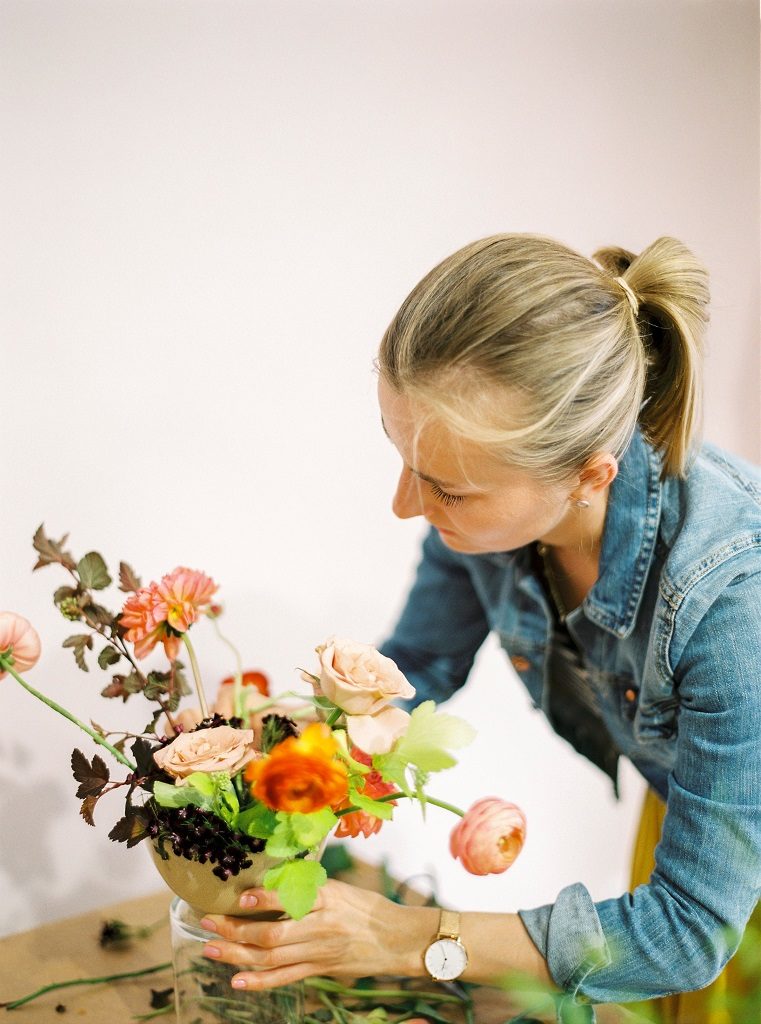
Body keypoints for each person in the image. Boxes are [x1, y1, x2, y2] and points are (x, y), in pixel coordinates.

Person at [197, 234, 761, 1022]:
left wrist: (413, 938)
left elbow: (688, 928)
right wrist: (297, 754)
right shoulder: (488, 508)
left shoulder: (734, 605)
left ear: (588, 475)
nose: (406, 505)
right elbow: (419, 663)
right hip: (693, 817)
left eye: (447, 490)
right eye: (402, 458)